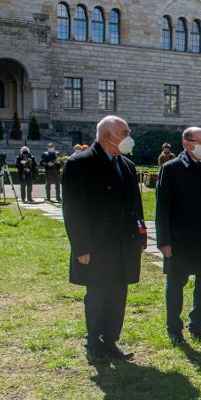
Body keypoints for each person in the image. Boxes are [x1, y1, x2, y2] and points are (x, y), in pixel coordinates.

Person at [61, 116, 146, 364]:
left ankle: (110, 341)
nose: (129, 136)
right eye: (125, 132)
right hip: (97, 246)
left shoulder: (127, 165)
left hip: (124, 243)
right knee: (97, 296)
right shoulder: (80, 163)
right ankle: (94, 344)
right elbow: (74, 210)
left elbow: (135, 205)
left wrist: (140, 236)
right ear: (108, 135)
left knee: (118, 294)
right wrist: (81, 247)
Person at [155, 127, 201, 345]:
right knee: (176, 284)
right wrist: (164, 241)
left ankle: (197, 326)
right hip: (181, 239)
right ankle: (174, 330)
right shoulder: (171, 169)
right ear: (187, 143)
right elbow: (162, 208)